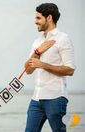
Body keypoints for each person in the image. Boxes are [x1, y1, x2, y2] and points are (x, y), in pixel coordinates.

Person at [24, 3, 76, 132]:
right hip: (36, 99)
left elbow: (70, 70)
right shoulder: (37, 42)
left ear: (49, 18)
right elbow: (28, 70)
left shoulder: (63, 39)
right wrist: (37, 52)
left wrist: (43, 65)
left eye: (38, 18)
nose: (35, 22)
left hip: (55, 97)